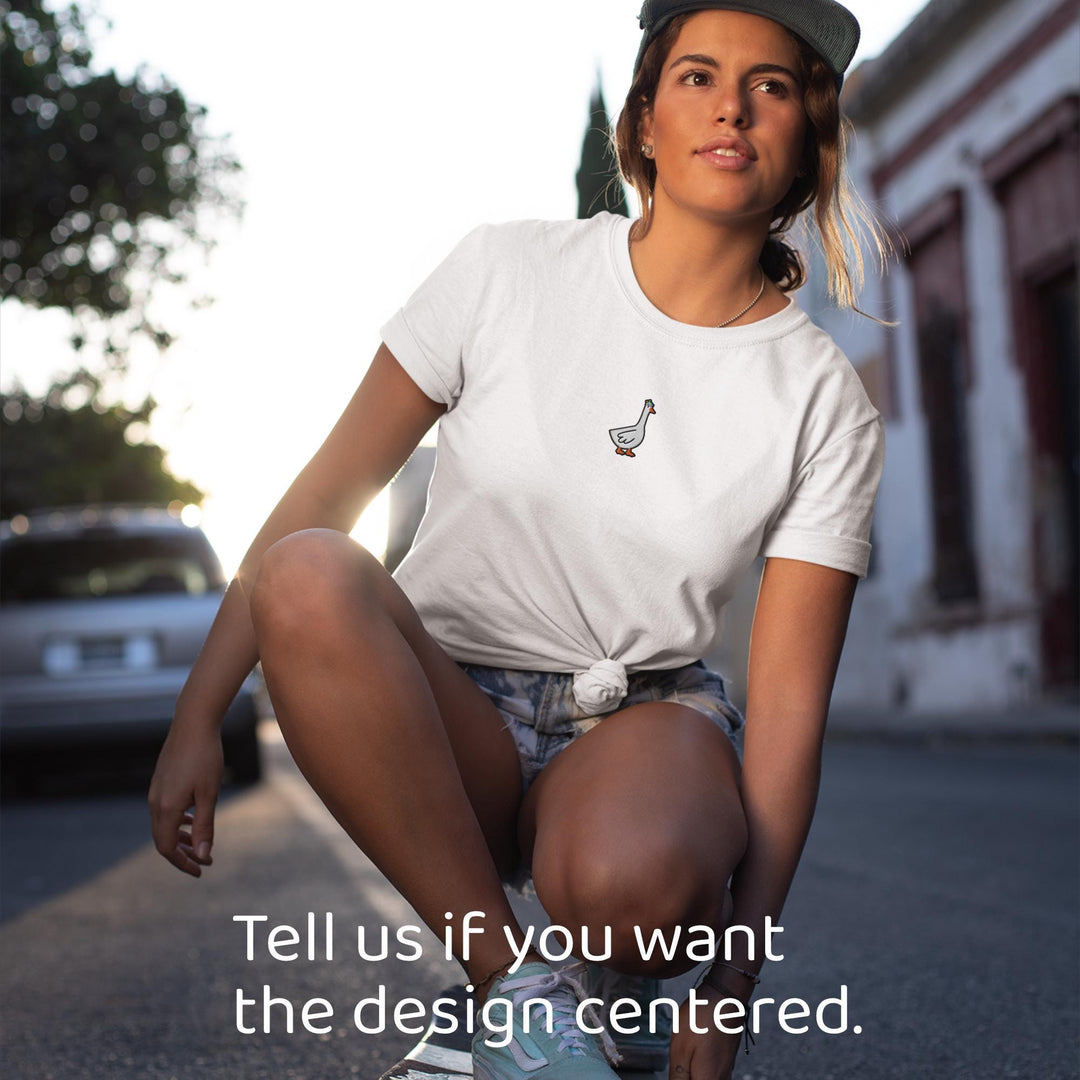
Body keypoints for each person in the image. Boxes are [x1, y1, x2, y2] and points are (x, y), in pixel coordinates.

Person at [148, 2, 888, 1078]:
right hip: (449, 720)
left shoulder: (821, 401)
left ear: (805, 138)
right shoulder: (505, 271)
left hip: (638, 725)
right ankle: (521, 998)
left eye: (770, 86)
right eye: (697, 76)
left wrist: (731, 983)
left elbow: (786, 712)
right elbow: (321, 496)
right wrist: (197, 717)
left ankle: (597, 989)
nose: (731, 106)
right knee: (308, 569)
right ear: (644, 122)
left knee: (636, 882)